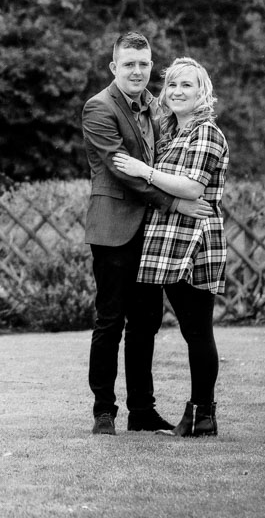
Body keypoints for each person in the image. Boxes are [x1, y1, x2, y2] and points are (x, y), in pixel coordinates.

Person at [81, 33, 212, 436]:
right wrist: (175, 202)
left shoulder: (156, 107)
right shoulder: (99, 108)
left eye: (144, 64)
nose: (138, 71)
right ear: (113, 67)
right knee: (110, 321)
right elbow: (122, 171)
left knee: (146, 321)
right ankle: (104, 410)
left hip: (153, 234)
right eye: (129, 64)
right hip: (114, 229)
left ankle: (142, 410)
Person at [112, 57, 230, 438]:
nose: (178, 91)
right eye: (173, 85)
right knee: (171, 328)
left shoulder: (205, 133)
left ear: (203, 94)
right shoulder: (169, 132)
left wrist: (142, 170)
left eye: (187, 86)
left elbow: (193, 188)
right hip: (164, 237)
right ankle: (171, 414)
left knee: (196, 330)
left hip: (193, 239)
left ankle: (202, 414)